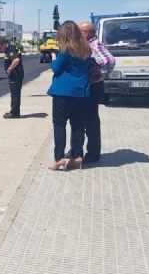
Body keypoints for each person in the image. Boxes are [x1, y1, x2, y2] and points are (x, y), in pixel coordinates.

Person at [47, 21, 92, 170]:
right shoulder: (86, 49)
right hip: (81, 93)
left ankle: (59, 158)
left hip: (63, 92)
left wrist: (53, 57)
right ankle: (77, 157)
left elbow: (56, 69)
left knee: (59, 124)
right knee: (78, 125)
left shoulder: (66, 49)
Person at [79, 21, 116, 163]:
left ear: (87, 33)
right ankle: (80, 150)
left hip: (92, 88)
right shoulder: (89, 44)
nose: (78, 34)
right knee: (83, 120)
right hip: (89, 87)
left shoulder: (94, 44)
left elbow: (110, 60)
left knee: (90, 122)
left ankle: (93, 154)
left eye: (80, 31)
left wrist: (97, 76)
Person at [0, 38, 23, 118]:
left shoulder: (10, 49)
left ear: (4, 44)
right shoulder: (10, 49)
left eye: (0, 47)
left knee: (15, 94)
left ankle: (14, 113)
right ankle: (15, 111)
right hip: (15, 74)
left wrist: (9, 68)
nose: (0, 50)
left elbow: (16, 60)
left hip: (15, 74)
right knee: (15, 93)